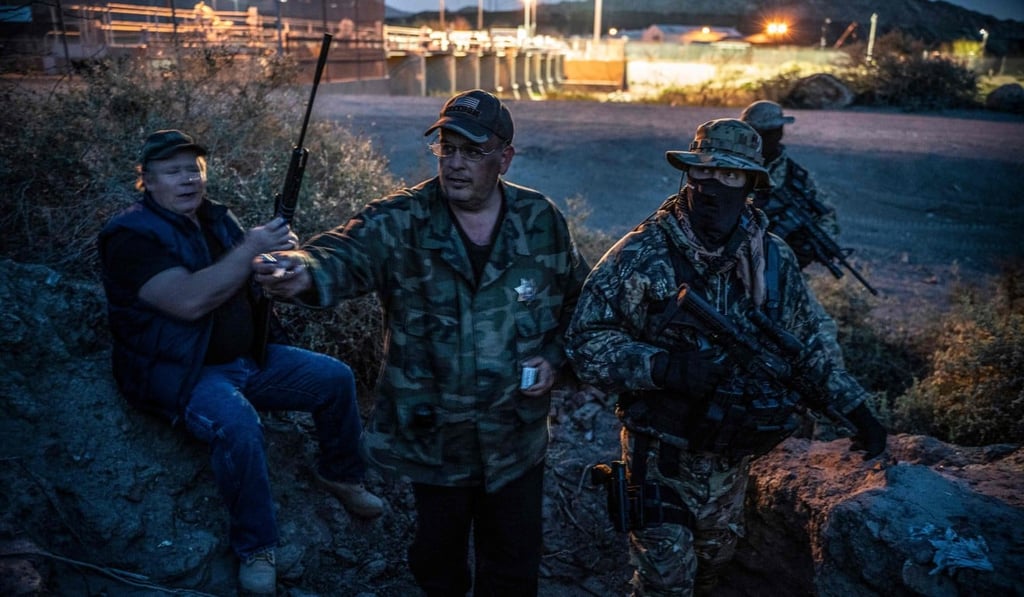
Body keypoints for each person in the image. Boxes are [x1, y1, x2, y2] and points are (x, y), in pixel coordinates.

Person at [252, 89, 590, 596]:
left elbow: (579, 306)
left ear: (504, 157)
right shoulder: (400, 220)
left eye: (472, 152)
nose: (455, 163)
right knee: (438, 562)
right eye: (446, 148)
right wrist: (296, 270)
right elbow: (340, 254)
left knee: (514, 566)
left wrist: (554, 359)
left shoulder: (540, 221)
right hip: (435, 440)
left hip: (515, 439)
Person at [564, 118, 886, 596]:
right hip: (661, 457)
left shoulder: (771, 259)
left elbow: (807, 346)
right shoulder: (641, 255)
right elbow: (584, 343)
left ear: (752, 184)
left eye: (730, 175)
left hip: (733, 461)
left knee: (713, 572)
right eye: (704, 173)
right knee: (665, 584)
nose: (714, 186)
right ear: (688, 176)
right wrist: (661, 366)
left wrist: (856, 410)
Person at [98, 129, 383, 596]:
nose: (188, 179)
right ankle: (257, 548)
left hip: (248, 360)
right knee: (238, 424)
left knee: (334, 377)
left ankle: (340, 474)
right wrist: (249, 249)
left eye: (194, 168)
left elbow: (245, 273)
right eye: (173, 171)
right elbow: (190, 301)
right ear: (146, 181)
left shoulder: (216, 219)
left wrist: (275, 264)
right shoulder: (129, 237)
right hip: (183, 373)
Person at [739, 99, 839, 269]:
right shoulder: (730, 167)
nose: (767, 139)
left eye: (773, 132)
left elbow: (826, 215)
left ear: (780, 132)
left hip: (779, 265)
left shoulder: (795, 175)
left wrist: (806, 248)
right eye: (761, 133)